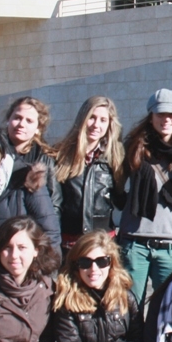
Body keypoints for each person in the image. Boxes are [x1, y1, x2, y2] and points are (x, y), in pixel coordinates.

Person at [120, 89, 172, 303]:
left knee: (168, 307)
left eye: (171, 115)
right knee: (130, 306)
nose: (166, 119)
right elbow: (115, 182)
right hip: (135, 241)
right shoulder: (133, 146)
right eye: (161, 114)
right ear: (151, 116)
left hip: (171, 242)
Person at [0, 123, 60, 247]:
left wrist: (40, 265)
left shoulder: (26, 178)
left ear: (0, 147)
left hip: (21, 263)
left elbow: (50, 232)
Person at [53, 96, 125, 252]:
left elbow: (120, 201)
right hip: (69, 244)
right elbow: (55, 205)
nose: (96, 125)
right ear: (82, 119)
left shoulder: (114, 159)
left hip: (103, 244)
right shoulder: (60, 155)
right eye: (92, 118)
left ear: (109, 125)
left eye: (103, 120)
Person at [5, 96, 62, 218]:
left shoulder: (44, 158)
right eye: (17, 118)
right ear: (8, 120)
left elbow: (54, 202)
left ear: (38, 128)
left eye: (29, 121)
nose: (21, 124)